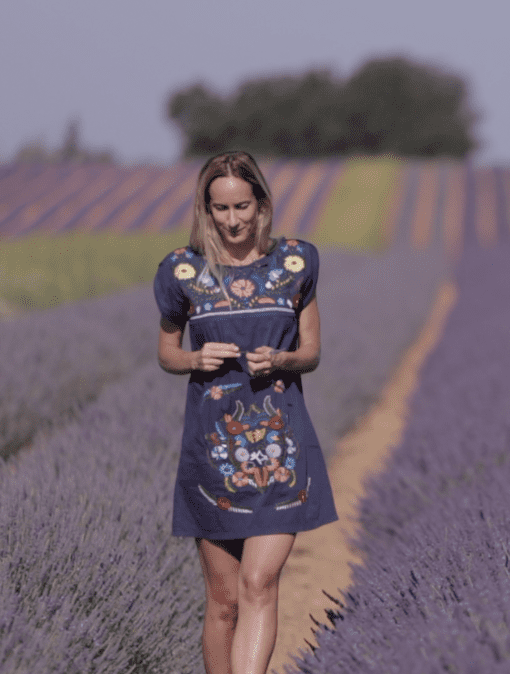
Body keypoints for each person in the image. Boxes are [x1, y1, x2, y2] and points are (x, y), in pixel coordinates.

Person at [154, 150, 338, 674]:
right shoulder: (181, 271)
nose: (232, 220)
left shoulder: (297, 262)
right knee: (225, 601)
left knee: (260, 582)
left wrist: (282, 358)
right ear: (205, 210)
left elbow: (313, 352)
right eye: (220, 209)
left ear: (261, 204)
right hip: (212, 456)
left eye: (242, 206)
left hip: (281, 451)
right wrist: (194, 356)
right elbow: (167, 352)